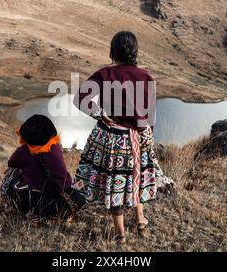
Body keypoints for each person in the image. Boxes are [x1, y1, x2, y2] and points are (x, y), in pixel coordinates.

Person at [72, 31, 170, 245]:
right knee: (136, 178)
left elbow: (80, 99)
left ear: (112, 51)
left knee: (115, 183)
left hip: (114, 138)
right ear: (135, 52)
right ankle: (141, 220)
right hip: (140, 137)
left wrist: (101, 115)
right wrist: (147, 140)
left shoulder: (106, 73)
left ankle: (120, 236)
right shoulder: (147, 77)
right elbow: (150, 117)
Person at [1, 114, 85, 221]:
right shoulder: (55, 148)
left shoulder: (23, 151)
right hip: (53, 198)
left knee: (14, 172)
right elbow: (64, 181)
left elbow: (11, 163)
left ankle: (32, 213)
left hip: (30, 198)